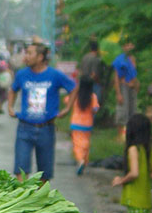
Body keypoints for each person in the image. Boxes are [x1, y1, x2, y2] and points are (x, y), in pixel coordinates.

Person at [7, 43, 76, 182]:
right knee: (21, 169)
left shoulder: (54, 75)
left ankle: (38, 200)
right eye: (26, 53)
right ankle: (23, 200)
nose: (26, 57)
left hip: (46, 128)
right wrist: (10, 107)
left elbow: (73, 87)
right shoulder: (22, 74)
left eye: (29, 53)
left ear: (40, 57)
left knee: (44, 173)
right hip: (24, 128)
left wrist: (67, 108)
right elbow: (13, 89)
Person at [65, 75, 100, 175]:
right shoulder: (92, 96)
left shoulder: (76, 95)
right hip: (87, 124)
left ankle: (80, 160)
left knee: (77, 143)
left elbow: (67, 100)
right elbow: (95, 109)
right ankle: (84, 160)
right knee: (85, 142)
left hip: (76, 123)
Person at [112, 39, 139, 140]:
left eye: (131, 45)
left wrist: (136, 86)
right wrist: (118, 93)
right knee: (122, 111)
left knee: (132, 111)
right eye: (127, 45)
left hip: (132, 88)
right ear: (123, 47)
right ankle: (120, 136)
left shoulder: (132, 59)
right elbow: (116, 77)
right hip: (124, 87)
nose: (129, 47)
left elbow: (134, 75)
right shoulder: (120, 60)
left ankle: (130, 135)